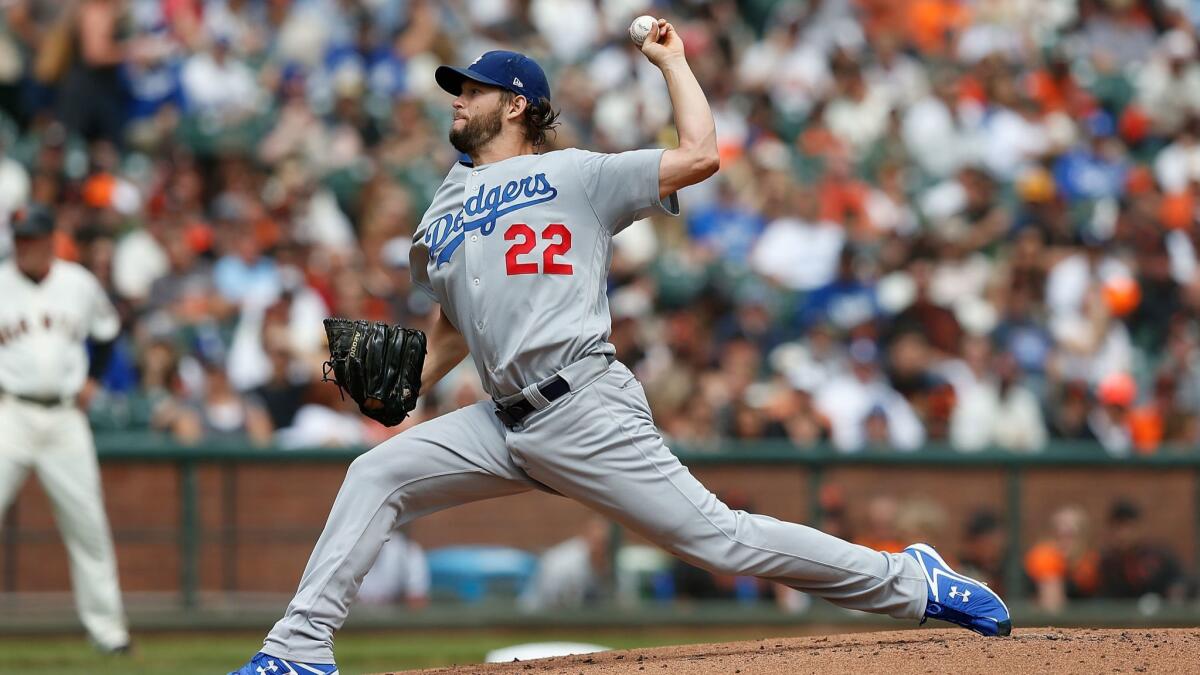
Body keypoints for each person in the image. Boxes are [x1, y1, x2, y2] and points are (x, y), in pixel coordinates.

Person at [230, 21, 1011, 675]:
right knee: (378, 472)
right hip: (500, 421)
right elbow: (456, 328)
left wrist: (673, 60)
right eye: (456, 89)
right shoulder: (446, 202)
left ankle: (914, 581)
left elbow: (702, 153)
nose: (457, 99)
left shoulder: (580, 175)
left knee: (720, 538)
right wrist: (394, 384)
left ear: (515, 104)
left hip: (582, 404)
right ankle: (299, 648)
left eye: (469, 88)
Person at [0, 204, 130, 653]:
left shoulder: (77, 283)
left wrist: (93, 378)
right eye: (20, 238)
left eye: (33, 237)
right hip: (10, 413)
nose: (26, 246)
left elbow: (108, 331)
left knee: (88, 525)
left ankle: (110, 635)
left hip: (65, 418)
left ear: (50, 238)